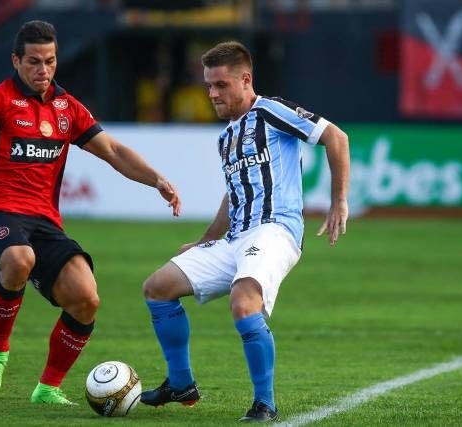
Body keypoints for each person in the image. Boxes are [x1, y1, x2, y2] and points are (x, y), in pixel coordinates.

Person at [0, 20, 181, 405]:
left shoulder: (68, 108)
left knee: (86, 299)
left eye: (49, 61)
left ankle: (47, 388)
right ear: (16, 60)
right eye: (33, 62)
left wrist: (156, 179)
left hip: (44, 222)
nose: (42, 70)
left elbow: (112, 151)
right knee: (19, 257)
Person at [139, 41, 349, 422]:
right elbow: (233, 195)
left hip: (275, 230)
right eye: (208, 86)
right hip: (236, 238)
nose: (212, 94)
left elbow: (336, 137)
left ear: (245, 79)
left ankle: (264, 403)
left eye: (220, 85)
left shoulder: (271, 111)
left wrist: (338, 201)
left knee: (243, 301)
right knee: (157, 287)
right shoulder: (226, 137)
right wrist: (205, 241)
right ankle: (181, 382)